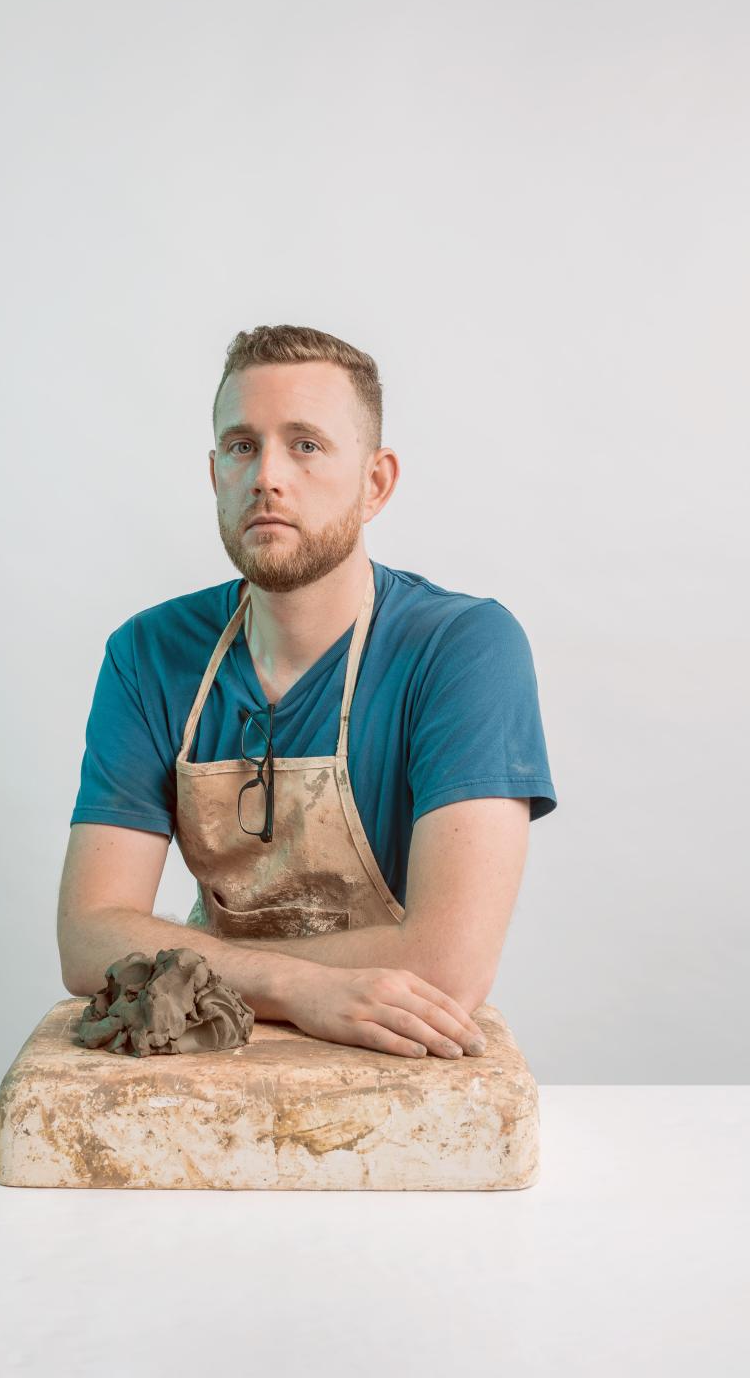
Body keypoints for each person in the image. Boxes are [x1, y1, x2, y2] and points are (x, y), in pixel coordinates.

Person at [57, 324, 557, 1062]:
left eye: (307, 444)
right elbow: (87, 935)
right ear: (215, 475)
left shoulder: (463, 649)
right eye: (241, 446)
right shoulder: (149, 654)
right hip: (206, 1048)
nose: (267, 475)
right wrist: (298, 989)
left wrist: (199, 964)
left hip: (391, 1058)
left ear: (376, 482)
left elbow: (448, 966)